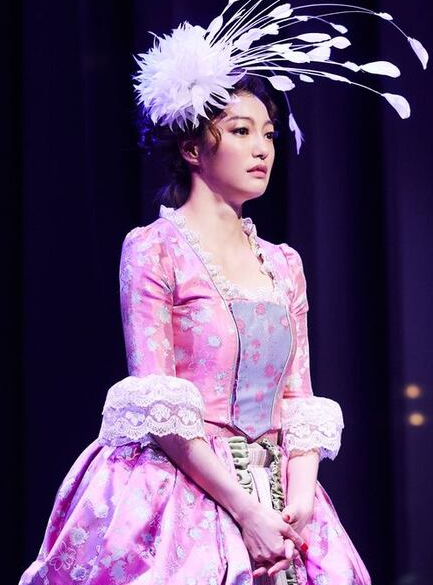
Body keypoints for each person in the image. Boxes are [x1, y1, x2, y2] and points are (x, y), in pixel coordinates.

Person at [19, 2, 428, 584]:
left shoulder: (284, 264)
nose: (263, 148)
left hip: (280, 492)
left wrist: (298, 503)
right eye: (240, 131)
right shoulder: (154, 249)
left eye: (268, 134)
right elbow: (158, 401)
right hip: (182, 489)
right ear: (192, 149)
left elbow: (298, 396)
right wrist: (246, 512)